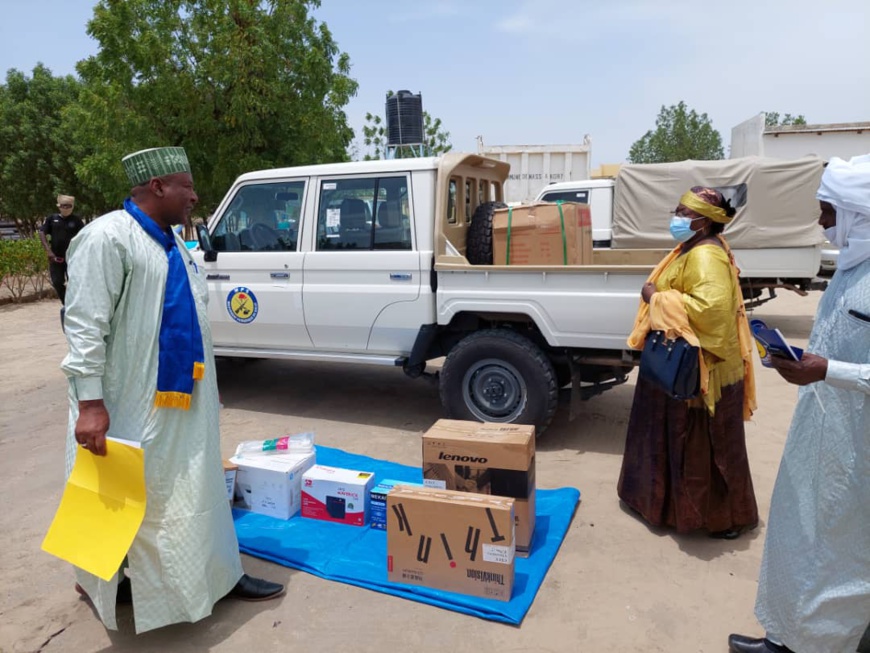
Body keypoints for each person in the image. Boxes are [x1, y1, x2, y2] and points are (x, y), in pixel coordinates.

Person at [61, 147, 284, 635]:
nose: (194, 195)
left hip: (184, 403)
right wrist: (92, 403)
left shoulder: (174, 244)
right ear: (158, 187)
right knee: (115, 495)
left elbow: (192, 326)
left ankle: (217, 577)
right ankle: (103, 581)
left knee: (192, 492)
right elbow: (83, 327)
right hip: (123, 404)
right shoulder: (105, 238)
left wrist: (208, 390)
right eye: (186, 186)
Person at [728, 155, 870, 653]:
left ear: (858, 212)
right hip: (821, 434)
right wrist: (796, 362)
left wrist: (827, 370)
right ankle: (784, 637)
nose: (820, 221)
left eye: (828, 210)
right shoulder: (851, 267)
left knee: (843, 557)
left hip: (860, 454)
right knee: (801, 536)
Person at [617, 186, 758, 539]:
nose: (676, 218)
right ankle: (665, 508)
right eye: (677, 210)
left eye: (683, 212)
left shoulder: (705, 256)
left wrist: (655, 297)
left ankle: (718, 518)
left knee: (702, 445)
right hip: (683, 360)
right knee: (677, 437)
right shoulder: (693, 247)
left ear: (704, 221)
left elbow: (710, 313)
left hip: (700, 368)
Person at [39, 194, 84, 304]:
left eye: (68, 206)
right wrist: (48, 251)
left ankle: (76, 304)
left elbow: (84, 236)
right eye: (63, 205)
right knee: (57, 282)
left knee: (75, 283)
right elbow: (41, 232)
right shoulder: (52, 219)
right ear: (59, 206)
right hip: (56, 258)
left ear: (72, 207)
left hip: (73, 258)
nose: (66, 208)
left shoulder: (77, 220)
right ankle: (66, 303)